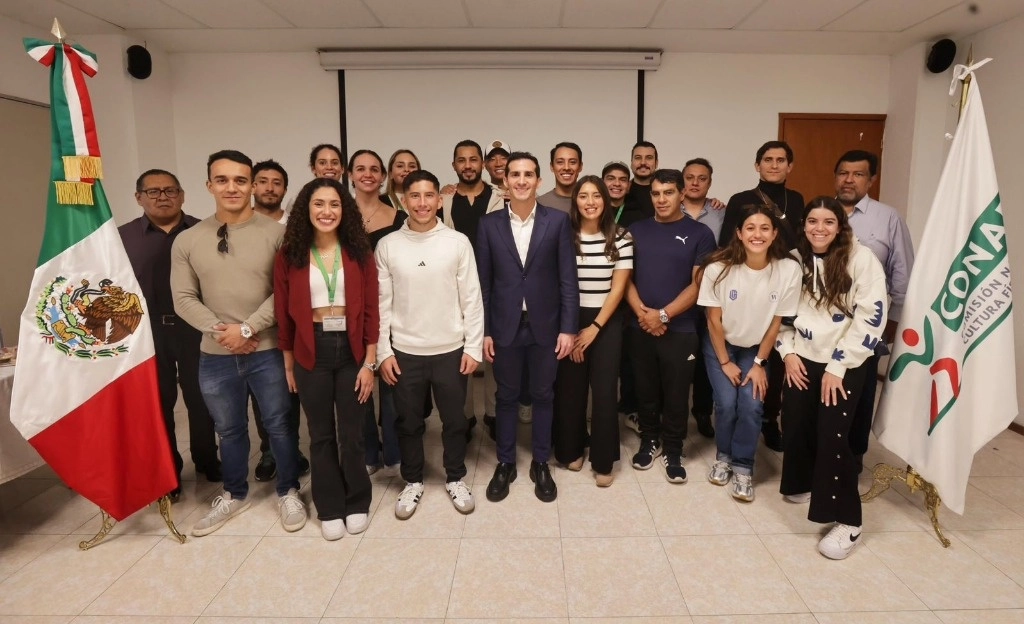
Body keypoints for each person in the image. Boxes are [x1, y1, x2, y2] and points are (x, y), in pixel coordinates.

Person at [171, 149, 305, 536]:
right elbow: (183, 298)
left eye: (241, 180)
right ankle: (233, 493)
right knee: (228, 429)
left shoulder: (278, 234)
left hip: (267, 351)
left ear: (251, 185)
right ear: (209, 185)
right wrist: (222, 332)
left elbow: (286, 293)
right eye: (223, 180)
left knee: (279, 425)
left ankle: (288, 489)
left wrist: (246, 330)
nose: (232, 187)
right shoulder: (188, 240)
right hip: (215, 355)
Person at [777, 196, 887, 560]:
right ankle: (801, 483)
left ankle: (848, 521)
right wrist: (788, 352)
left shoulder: (862, 259)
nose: (819, 228)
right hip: (802, 356)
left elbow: (871, 317)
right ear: (803, 224)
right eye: (812, 221)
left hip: (846, 361)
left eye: (827, 222)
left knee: (832, 435)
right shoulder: (795, 260)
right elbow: (781, 313)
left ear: (840, 226)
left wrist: (838, 366)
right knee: (795, 423)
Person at [274, 177, 378, 541]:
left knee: (352, 433)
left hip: (351, 350)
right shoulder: (290, 255)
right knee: (320, 435)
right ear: (306, 209)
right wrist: (289, 363)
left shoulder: (359, 252)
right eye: (318, 204)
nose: (326, 211)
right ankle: (329, 506)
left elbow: (371, 313)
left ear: (344, 210)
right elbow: (283, 316)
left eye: (334, 204)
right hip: (310, 349)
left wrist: (369, 363)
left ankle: (357, 501)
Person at [376, 170, 484, 519]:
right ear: (403, 200)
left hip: (451, 350)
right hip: (405, 352)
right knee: (408, 422)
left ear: (440, 200)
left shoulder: (457, 242)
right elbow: (381, 304)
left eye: (429, 196)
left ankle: (455, 477)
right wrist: (383, 352)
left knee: (454, 421)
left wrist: (472, 347)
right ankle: (413, 480)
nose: (422, 203)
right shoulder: (388, 245)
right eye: (415, 196)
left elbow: (472, 298)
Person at [477, 151, 579, 503]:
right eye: (515, 174)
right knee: (505, 397)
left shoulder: (557, 221)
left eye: (528, 174)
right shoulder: (489, 225)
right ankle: (505, 462)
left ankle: (540, 462)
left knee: (543, 395)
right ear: (505, 180)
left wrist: (568, 328)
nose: (521, 180)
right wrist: (484, 331)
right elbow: (483, 284)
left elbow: (568, 279)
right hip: (504, 326)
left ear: (539, 180)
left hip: (546, 327)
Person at [120, 169, 220, 502]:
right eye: (154, 192)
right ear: (139, 198)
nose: (163, 197)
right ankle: (168, 471)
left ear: (182, 194)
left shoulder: (205, 230)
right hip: (146, 333)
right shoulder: (122, 238)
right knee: (159, 403)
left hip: (195, 328)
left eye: (170, 190)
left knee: (202, 398)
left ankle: (207, 459)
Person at [698, 205, 801, 502]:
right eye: (751, 228)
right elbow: (713, 320)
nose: (758, 234)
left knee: (752, 403)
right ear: (739, 234)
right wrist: (726, 362)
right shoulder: (718, 268)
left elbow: (776, 323)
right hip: (722, 344)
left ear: (774, 234)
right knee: (727, 402)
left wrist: (759, 364)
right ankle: (724, 456)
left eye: (764, 228)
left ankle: (744, 466)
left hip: (757, 347)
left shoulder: (788, 270)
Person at [626, 169, 715, 484]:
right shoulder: (634, 230)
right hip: (640, 326)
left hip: (681, 329)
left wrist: (662, 315)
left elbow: (698, 284)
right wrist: (645, 315)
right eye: (655, 193)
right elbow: (624, 280)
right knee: (645, 389)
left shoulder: (701, 233)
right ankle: (649, 439)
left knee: (677, 393)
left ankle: (674, 448)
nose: (661, 199)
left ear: (682, 194)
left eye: (668, 192)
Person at [719, 140, 806, 452]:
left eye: (781, 160)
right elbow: (726, 243)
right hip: (747, 282)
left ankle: (770, 419)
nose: (774, 165)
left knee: (778, 354)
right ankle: (733, 417)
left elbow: (800, 243)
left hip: (783, 281)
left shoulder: (796, 200)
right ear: (757, 165)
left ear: (790, 166)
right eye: (767, 159)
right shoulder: (740, 200)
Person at [833, 150, 915, 471]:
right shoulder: (821, 212)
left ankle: (852, 458)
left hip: (866, 324)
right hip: (823, 325)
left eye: (858, 174)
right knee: (822, 390)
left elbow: (903, 275)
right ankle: (822, 454)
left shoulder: (888, 218)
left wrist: (893, 322)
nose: (849, 180)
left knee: (859, 393)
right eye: (843, 173)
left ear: (871, 179)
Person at [553, 176, 632, 487]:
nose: (589, 202)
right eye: (583, 196)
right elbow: (558, 284)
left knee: (603, 391)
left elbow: (619, 288)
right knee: (570, 388)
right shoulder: (564, 235)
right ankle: (570, 449)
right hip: (569, 319)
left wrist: (594, 328)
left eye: (595, 196)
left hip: (606, 320)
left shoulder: (622, 237)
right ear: (575, 202)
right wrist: (571, 330)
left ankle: (603, 460)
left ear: (605, 200)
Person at [250, 159, 310, 483]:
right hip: (251, 327)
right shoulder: (237, 228)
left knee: (289, 392)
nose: (269, 188)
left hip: (290, 324)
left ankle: (293, 450)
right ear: (252, 186)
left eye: (276, 183)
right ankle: (268, 451)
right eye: (263, 181)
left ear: (284, 189)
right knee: (263, 396)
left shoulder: (296, 230)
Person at [441, 140, 504, 437]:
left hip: (494, 283)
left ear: (483, 164)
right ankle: (464, 417)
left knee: (494, 349)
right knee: (458, 351)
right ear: (454, 165)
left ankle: (493, 413)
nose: (468, 165)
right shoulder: (444, 201)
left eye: (473, 159)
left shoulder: (500, 197)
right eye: (461, 160)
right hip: (454, 286)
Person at [349, 149, 406, 476]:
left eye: (374, 169)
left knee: (392, 381)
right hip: (350, 310)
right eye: (361, 169)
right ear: (351, 175)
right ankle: (369, 451)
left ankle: (395, 452)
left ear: (383, 176)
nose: (368, 174)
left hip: (390, 307)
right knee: (360, 382)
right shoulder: (338, 213)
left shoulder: (398, 218)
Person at [682, 157, 725, 440]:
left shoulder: (722, 213)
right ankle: (670, 412)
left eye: (702, 178)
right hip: (677, 295)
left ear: (710, 182)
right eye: (690, 177)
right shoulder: (669, 208)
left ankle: (701, 411)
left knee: (706, 356)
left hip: (711, 297)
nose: (695, 182)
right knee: (678, 357)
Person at [537, 142, 582, 214]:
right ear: (552, 166)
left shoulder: (590, 204)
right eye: (560, 162)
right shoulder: (539, 204)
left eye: (572, 162)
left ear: (580, 166)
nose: (566, 167)